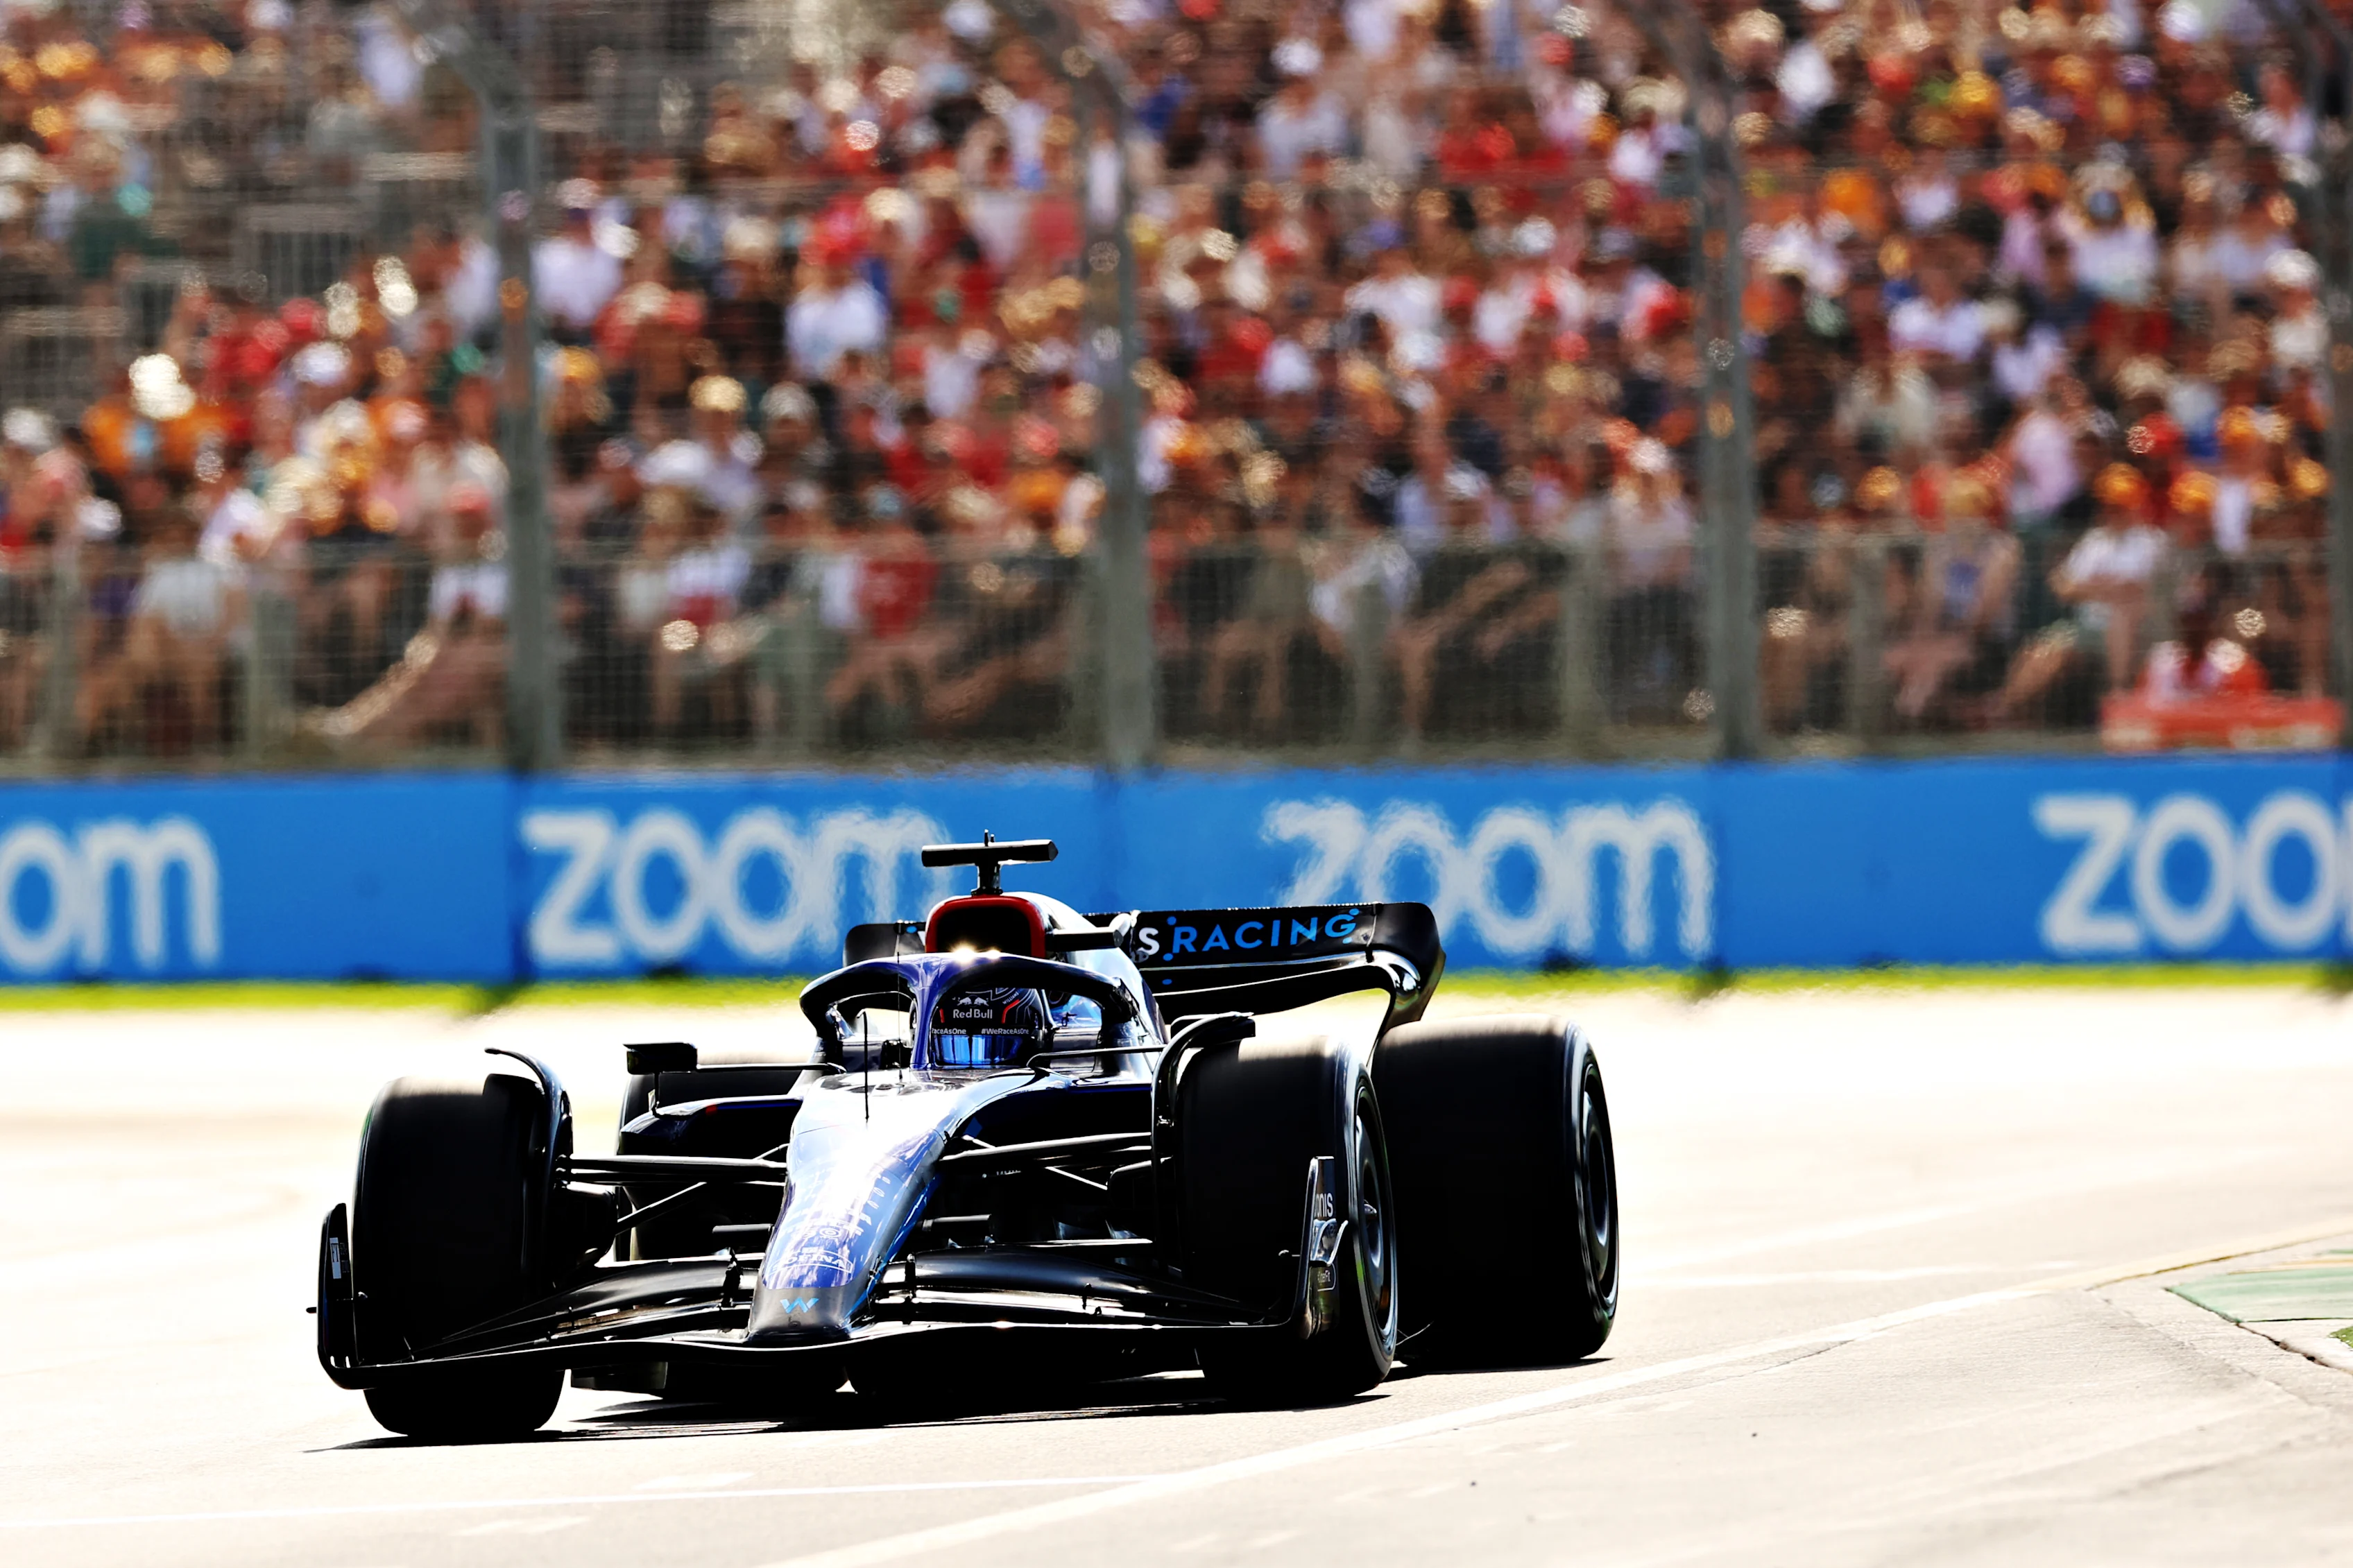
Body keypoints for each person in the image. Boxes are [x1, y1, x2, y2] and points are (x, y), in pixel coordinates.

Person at [1995, 465, 2167, 725]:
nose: (2115, 513)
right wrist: (2104, 588)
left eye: (2122, 505)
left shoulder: (2151, 541)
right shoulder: (2096, 541)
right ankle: (2004, 709)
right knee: (2042, 651)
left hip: (2137, 628)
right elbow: (2062, 585)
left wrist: (2090, 588)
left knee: (2120, 620)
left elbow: (2137, 590)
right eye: (2111, 506)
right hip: (2087, 627)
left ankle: (2118, 699)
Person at [79, 509, 244, 749]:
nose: (177, 539)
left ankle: (205, 745)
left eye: (183, 533)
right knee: (101, 681)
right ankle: (90, 747)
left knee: (197, 671)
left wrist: (207, 645)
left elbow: (234, 612)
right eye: (172, 534)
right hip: (164, 652)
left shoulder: (223, 566)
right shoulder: (160, 572)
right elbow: (143, 621)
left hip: (210, 649)